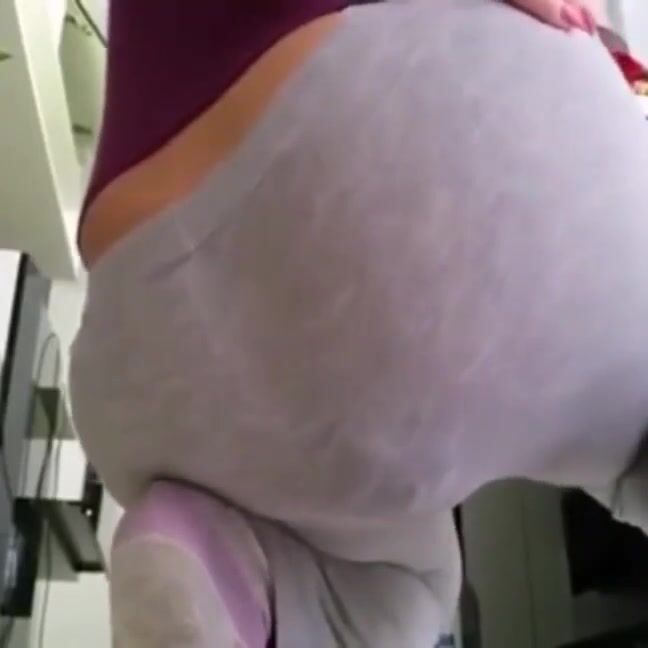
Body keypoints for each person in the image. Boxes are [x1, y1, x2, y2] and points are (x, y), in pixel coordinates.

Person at [70, 0, 648, 646]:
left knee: (379, 589)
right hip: (431, 153)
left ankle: (229, 575)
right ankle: (240, 576)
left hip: (152, 330)